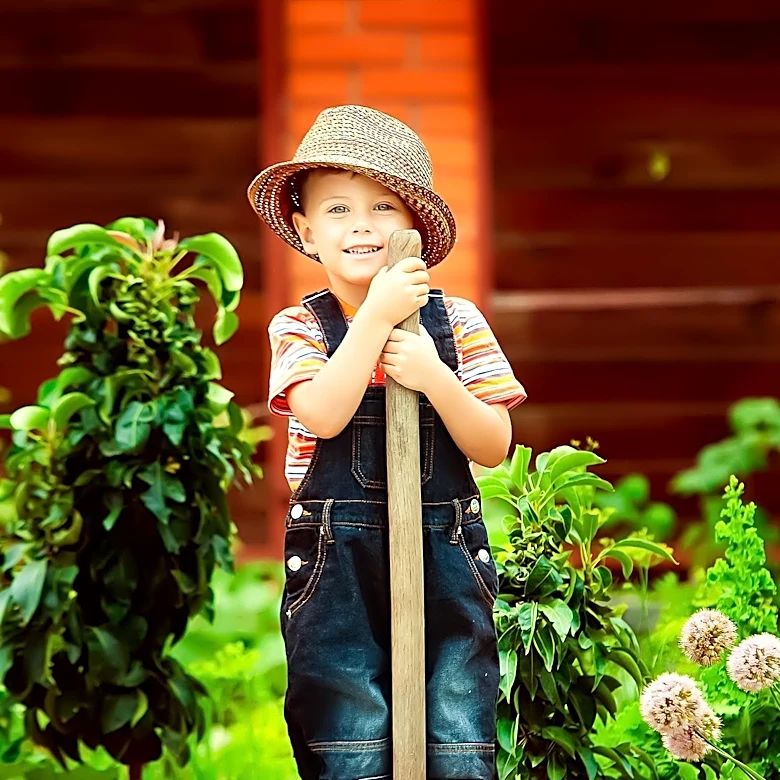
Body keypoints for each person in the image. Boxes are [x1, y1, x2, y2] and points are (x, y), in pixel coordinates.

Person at [247, 104, 526, 780]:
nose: (363, 224)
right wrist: (372, 319)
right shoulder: (300, 327)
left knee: (457, 721)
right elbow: (323, 411)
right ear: (307, 232)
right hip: (336, 566)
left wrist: (434, 374)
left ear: (416, 232)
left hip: (445, 556)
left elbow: (495, 445)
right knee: (349, 732)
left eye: (382, 206)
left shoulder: (456, 323)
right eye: (338, 210)